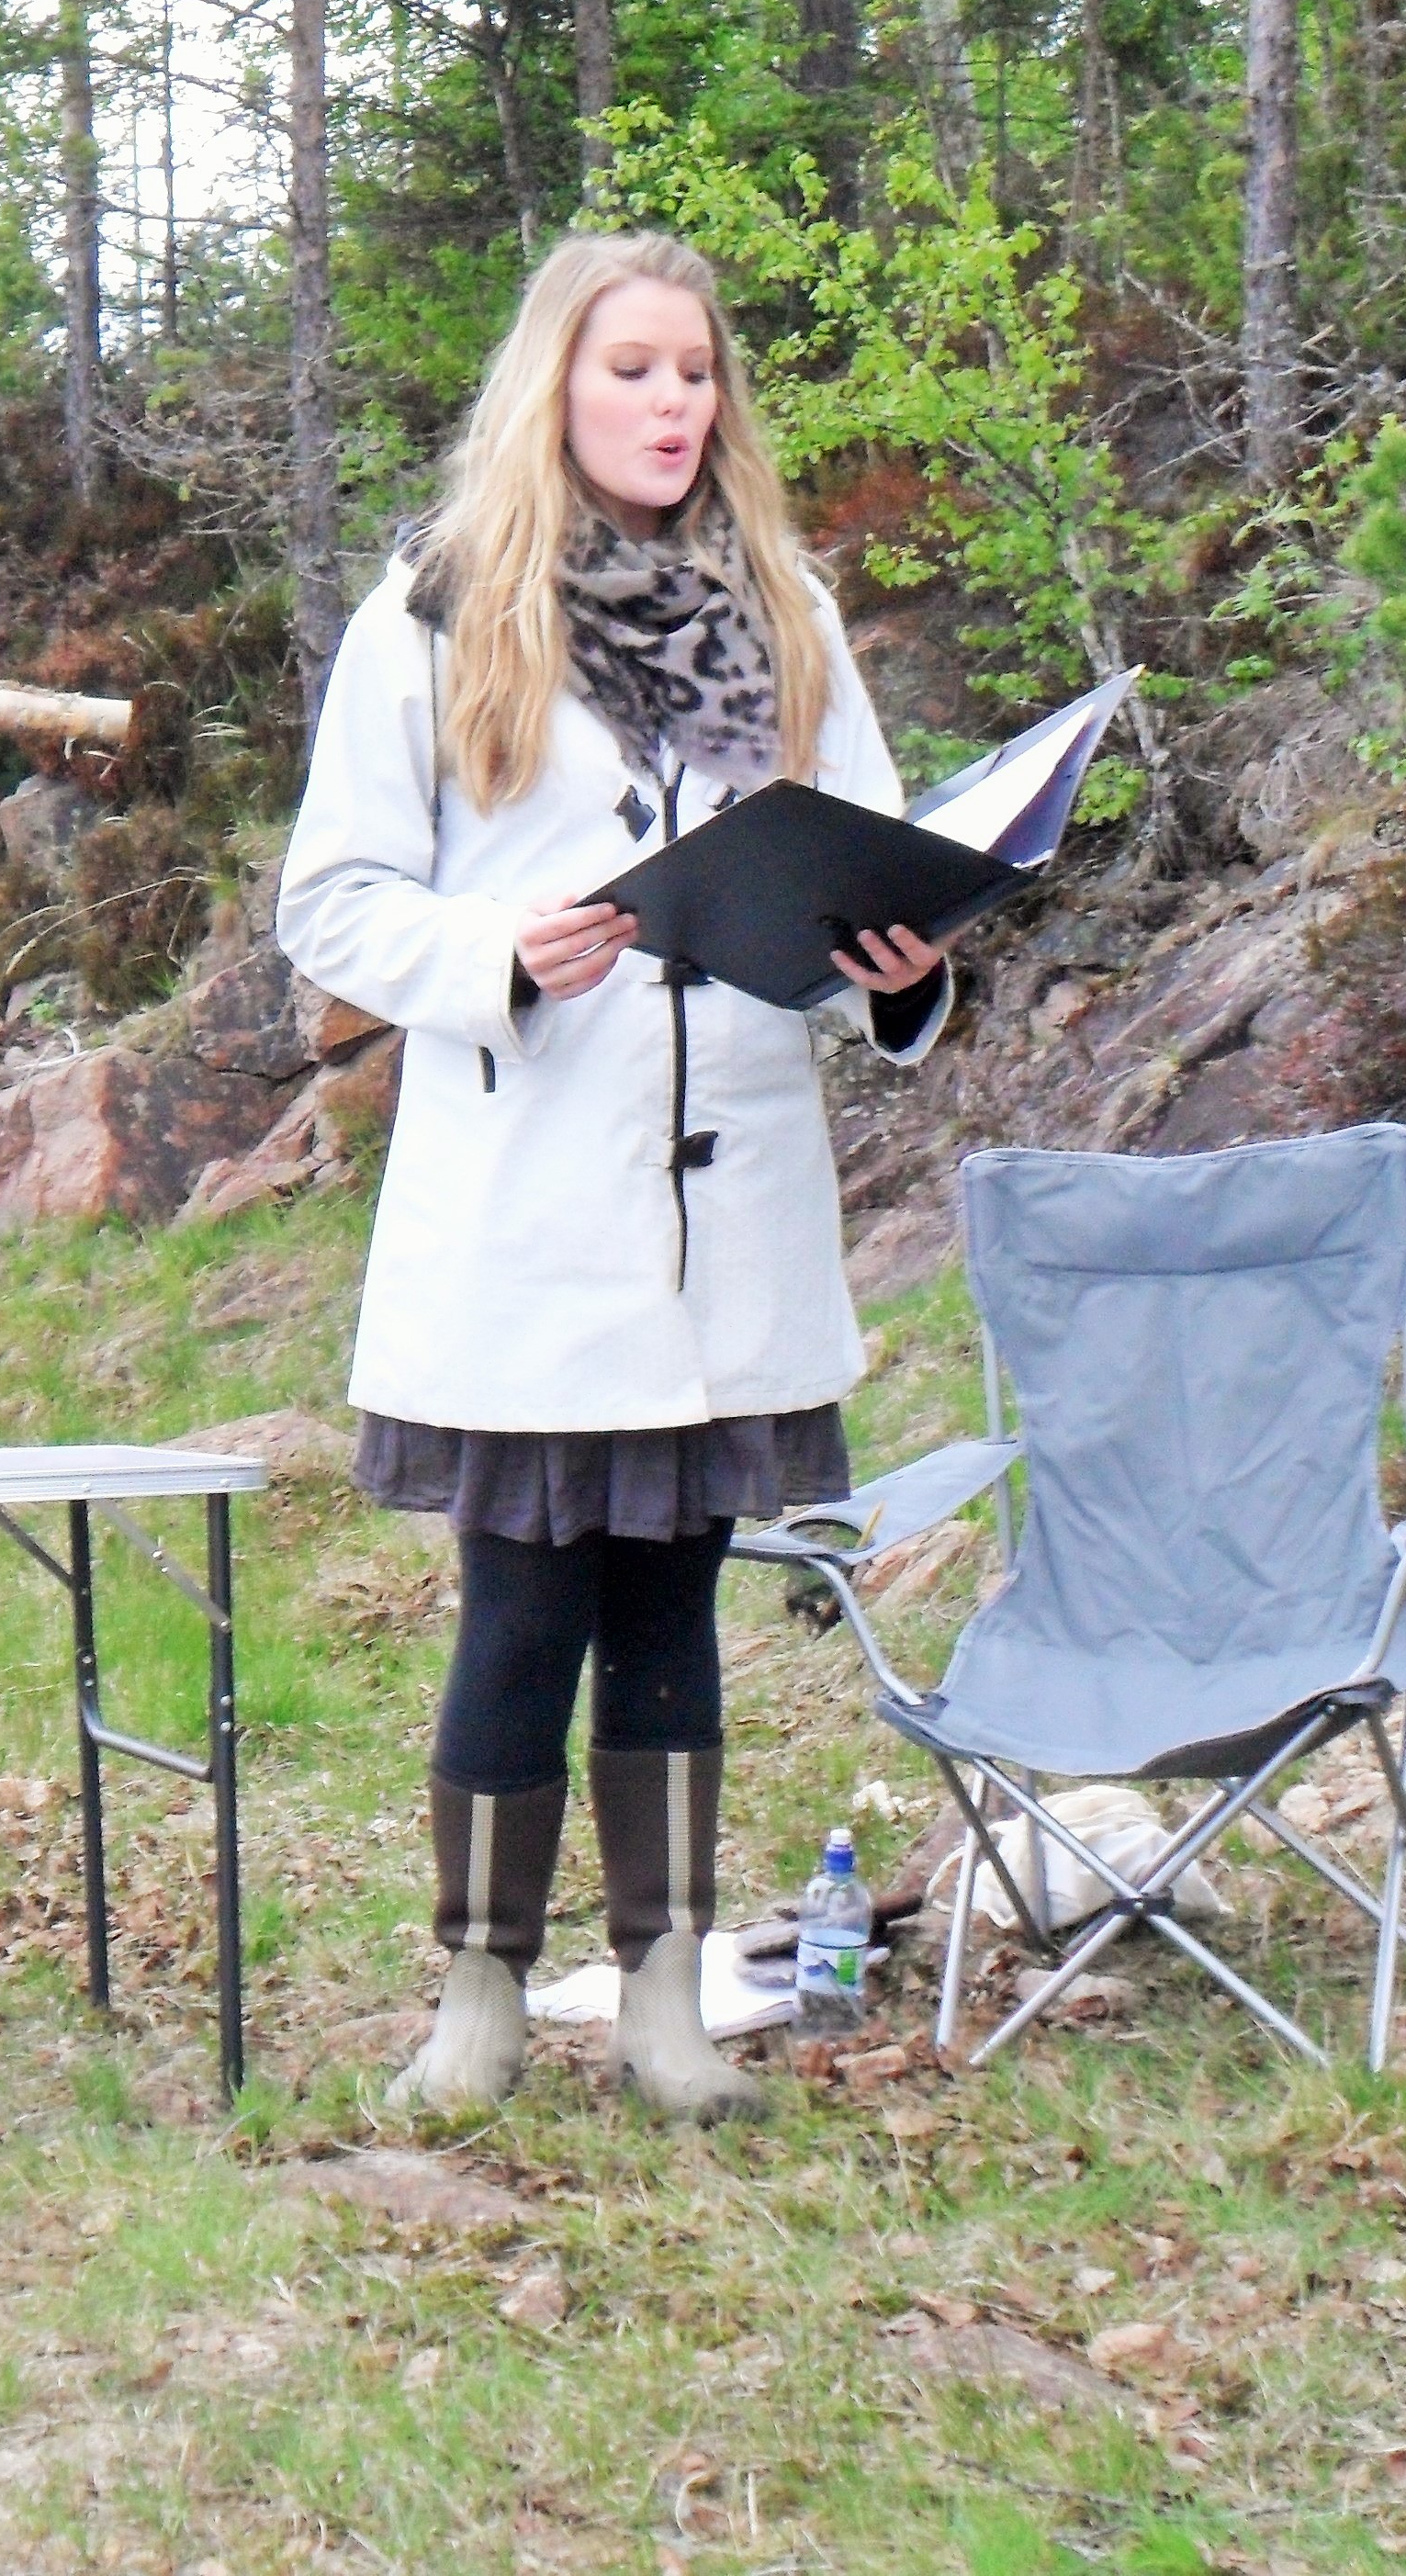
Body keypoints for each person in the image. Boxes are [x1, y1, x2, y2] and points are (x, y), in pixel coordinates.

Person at [277, 231, 951, 2125]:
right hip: (530, 1200)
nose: (671, 403)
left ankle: (663, 1998)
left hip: (727, 1198)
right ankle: (478, 1997)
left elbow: (861, 868)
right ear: (553, 386)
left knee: (673, 1611)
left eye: (695, 372)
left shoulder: (785, 612)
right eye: (631, 368)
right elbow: (332, 901)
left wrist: (895, 968)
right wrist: (494, 949)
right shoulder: (436, 610)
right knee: (522, 1608)